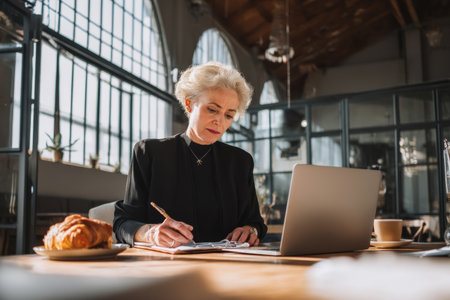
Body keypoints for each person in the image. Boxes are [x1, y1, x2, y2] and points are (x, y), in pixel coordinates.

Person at [113, 62, 267, 248]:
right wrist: (151, 233)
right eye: (212, 109)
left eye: (229, 115)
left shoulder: (240, 162)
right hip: (165, 268)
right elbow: (123, 224)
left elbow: (255, 222)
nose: (219, 122)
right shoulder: (149, 153)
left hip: (230, 267)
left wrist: (251, 230)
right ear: (189, 103)